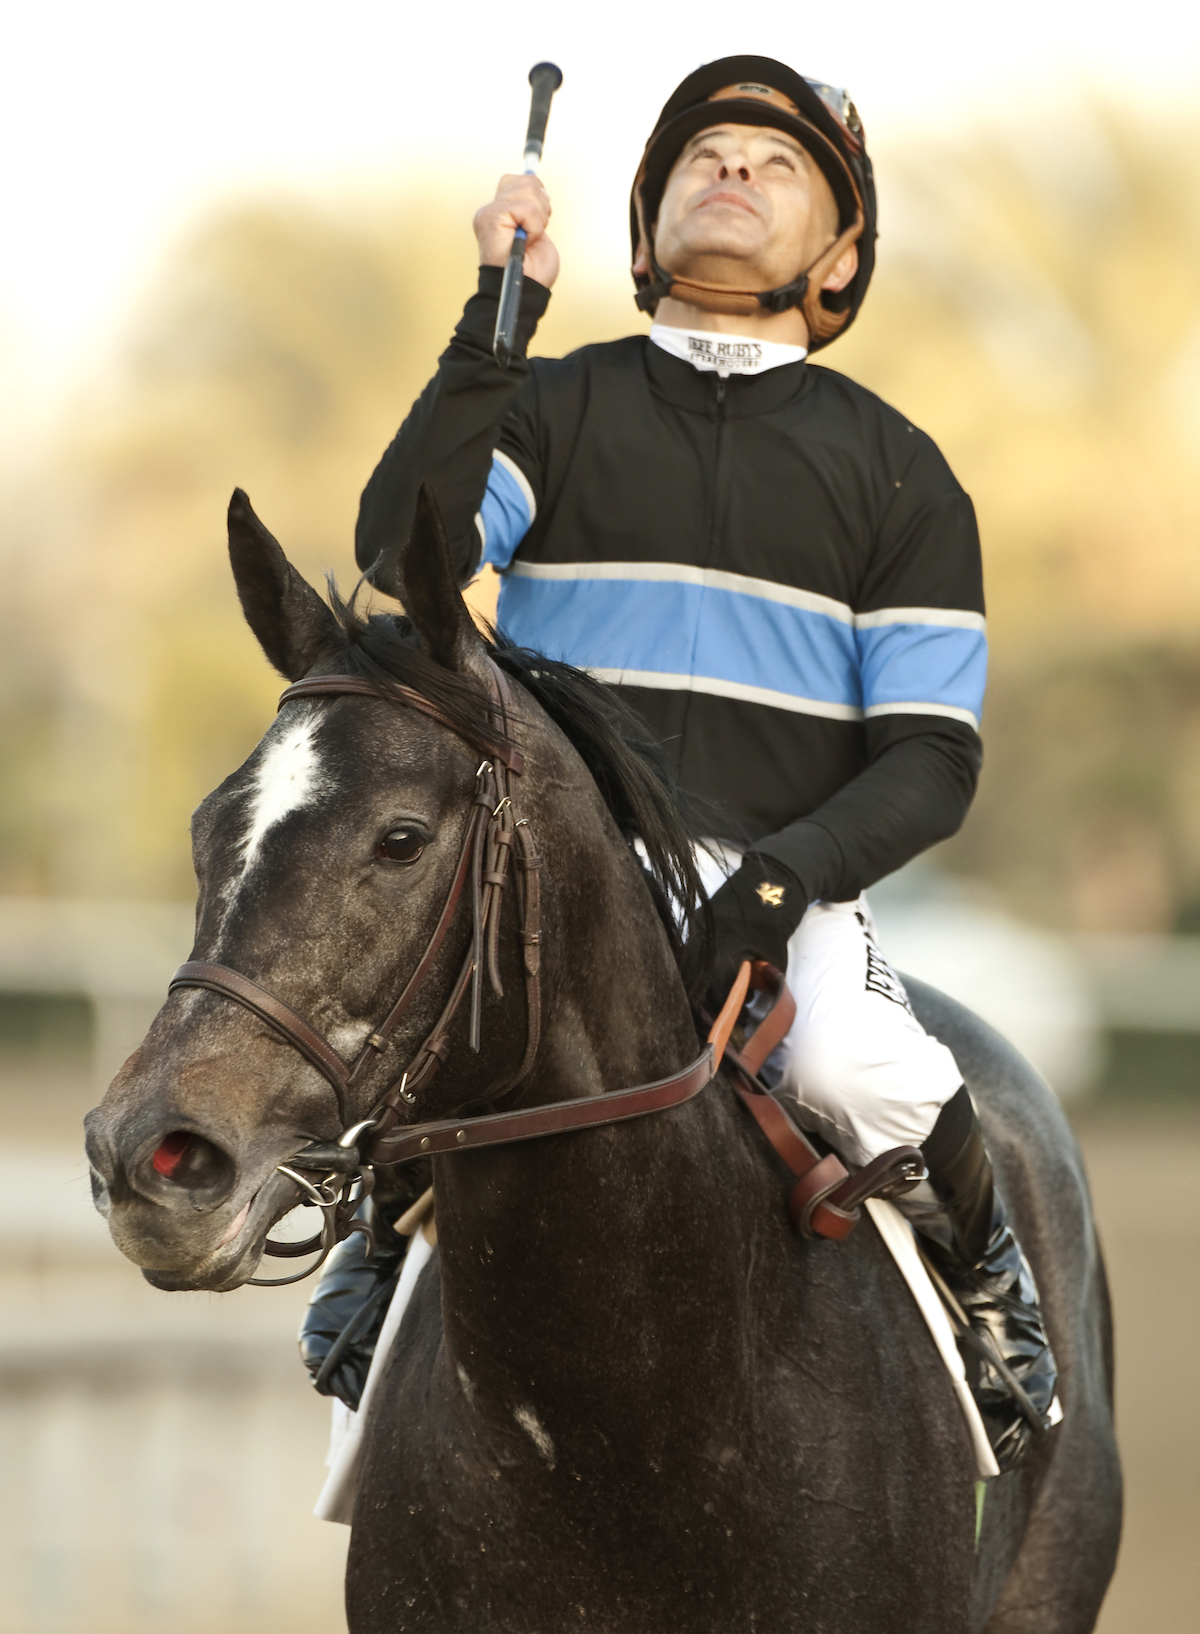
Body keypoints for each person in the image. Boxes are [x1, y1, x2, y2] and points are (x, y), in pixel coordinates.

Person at [304, 55, 1057, 1471]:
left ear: (837, 256)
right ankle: (377, 1241)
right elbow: (405, 554)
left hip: (781, 881)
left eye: (777, 168)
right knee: (399, 1022)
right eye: (706, 156)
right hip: (556, 856)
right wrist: (499, 315)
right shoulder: (554, 404)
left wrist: (781, 885)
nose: (734, 172)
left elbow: (932, 759)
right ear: (647, 226)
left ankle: (995, 1285)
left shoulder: (902, 474)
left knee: (862, 1057)